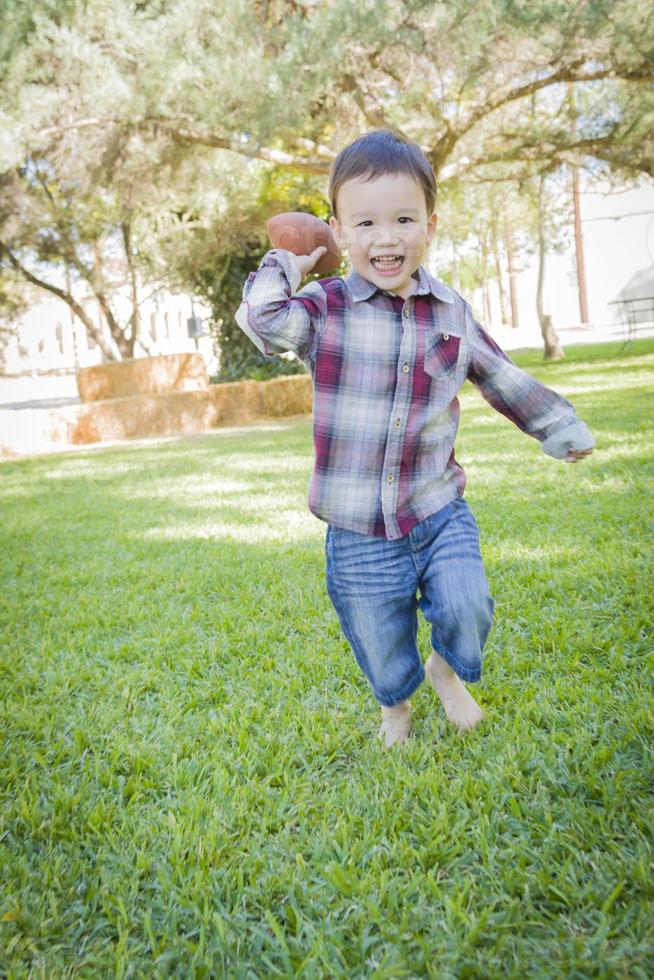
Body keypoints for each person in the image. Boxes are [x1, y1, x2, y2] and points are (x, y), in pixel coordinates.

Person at [235, 129, 595, 748]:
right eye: (366, 223)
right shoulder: (325, 310)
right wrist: (287, 263)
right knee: (377, 630)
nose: (387, 237)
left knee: (468, 602)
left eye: (404, 219)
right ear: (340, 232)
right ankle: (395, 710)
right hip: (356, 523)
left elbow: (498, 374)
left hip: (436, 505)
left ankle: (447, 670)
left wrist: (557, 425)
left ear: (429, 223)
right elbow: (262, 321)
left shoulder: (451, 311)